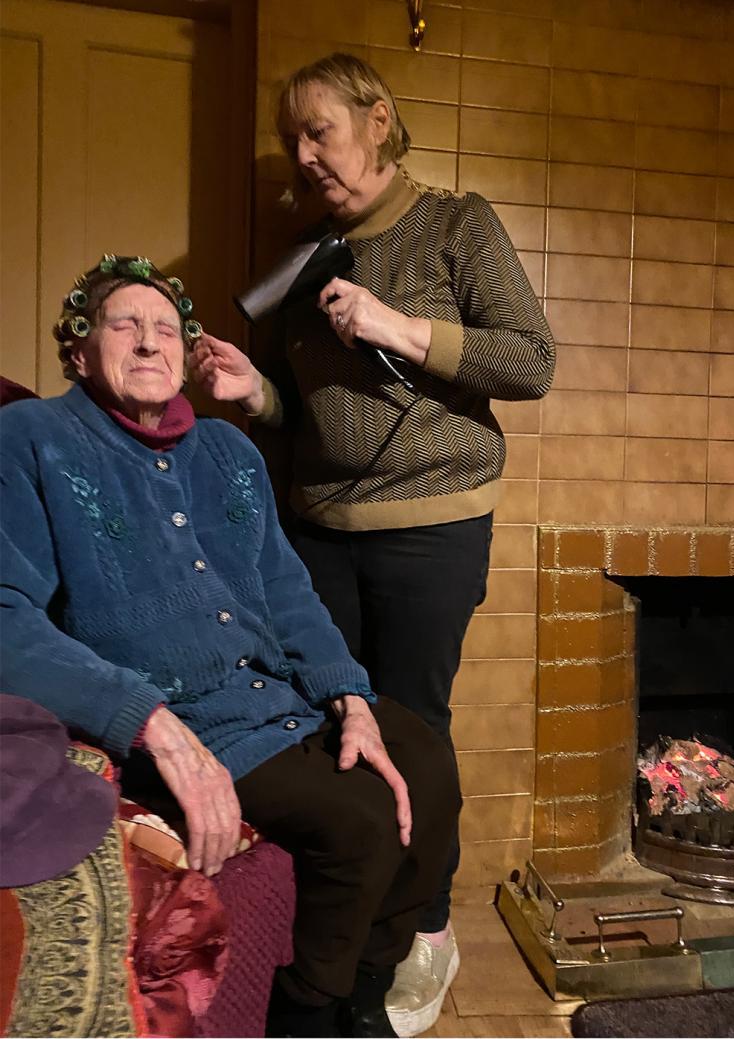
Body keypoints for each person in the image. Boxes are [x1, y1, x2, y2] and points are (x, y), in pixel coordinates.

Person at [0, 255, 460, 1039]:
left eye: (166, 329)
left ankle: (365, 990)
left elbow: (285, 590)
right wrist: (147, 719)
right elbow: (6, 613)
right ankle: (309, 1011)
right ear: (79, 351)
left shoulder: (228, 451)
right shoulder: (31, 436)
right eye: (124, 326)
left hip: (281, 695)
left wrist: (349, 695)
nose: (149, 343)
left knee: (428, 765)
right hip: (181, 714)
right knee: (358, 821)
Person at [191, 52, 556, 1035]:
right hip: (321, 531)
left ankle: (426, 928)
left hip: (433, 527)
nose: (304, 154)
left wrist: (397, 322)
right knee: (335, 731)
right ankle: (353, 934)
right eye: (291, 140)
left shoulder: (456, 223)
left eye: (320, 129)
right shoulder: (304, 254)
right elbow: (296, 412)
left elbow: (531, 361)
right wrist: (250, 392)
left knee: (414, 727)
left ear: (379, 119)